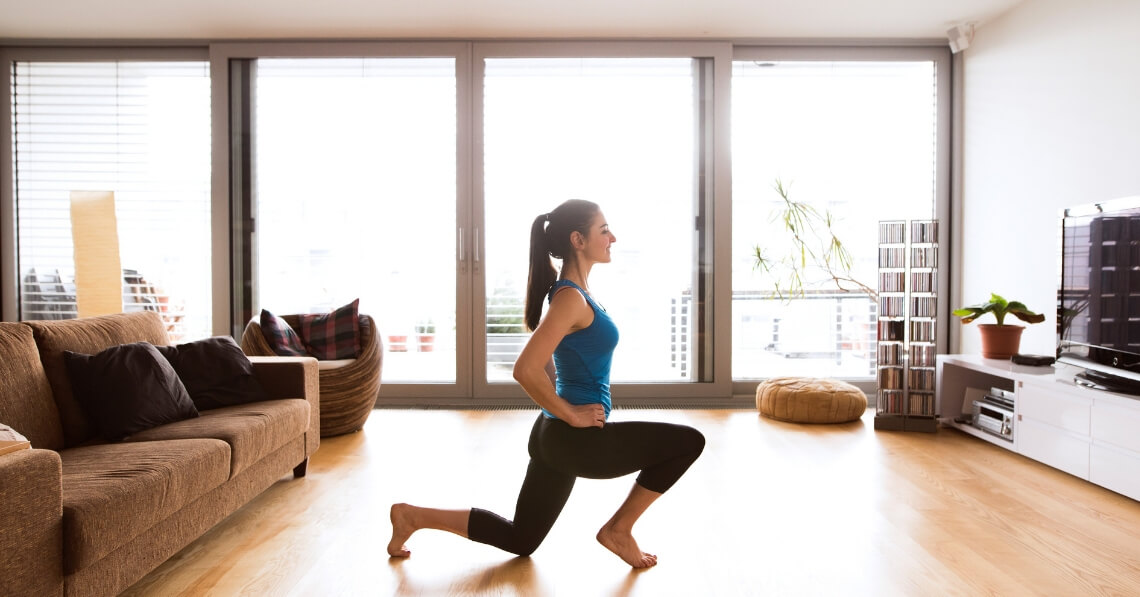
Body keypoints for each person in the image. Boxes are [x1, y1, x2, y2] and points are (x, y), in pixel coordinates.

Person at [387, 199, 705, 568]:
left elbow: (553, 364)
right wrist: (570, 414)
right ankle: (619, 529)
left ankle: (413, 516)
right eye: (604, 230)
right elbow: (525, 369)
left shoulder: (573, 295)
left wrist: (563, 409)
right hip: (573, 439)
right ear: (578, 240)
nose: (612, 237)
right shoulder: (569, 298)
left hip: (552, 436)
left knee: (521, 539)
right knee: (687, 442)